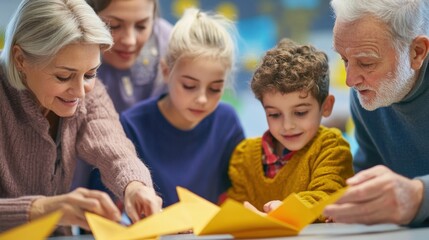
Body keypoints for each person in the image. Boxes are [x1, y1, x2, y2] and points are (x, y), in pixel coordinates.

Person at [0, 0, 161, 233]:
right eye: (64, 76)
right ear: (21, 59)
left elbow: (114, 149)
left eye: (90, 74)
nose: (79, 92)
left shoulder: (90, 94)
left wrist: (135, 186)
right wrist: (44, 210)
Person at [120, 8, 245, 207]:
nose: (202, 99)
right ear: (165, 71)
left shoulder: (226, 122)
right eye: (189, 86)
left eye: (215, 89)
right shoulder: (132, 125)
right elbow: (109, 208)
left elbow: (245, 191)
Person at [324, 0, 429, 226]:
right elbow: (364, 179)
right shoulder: (367, 94)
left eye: (366, 62)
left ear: (417, 52)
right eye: (344, 59)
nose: (350, 80)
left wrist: (419, 196)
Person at [227, 38, 354, 222]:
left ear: (326, 106)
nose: (287, 125)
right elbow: (234, 208)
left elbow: (328, 195)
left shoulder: (330, 147)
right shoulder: (244, 156)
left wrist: (289, 209)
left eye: (300, 112)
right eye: (274, 115)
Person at [71, 0, 173, 194]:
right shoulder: (70, 50)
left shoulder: (167, 45)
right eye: (114, 25)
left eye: (142, 26)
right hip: (80, 170)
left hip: (144, 174)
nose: (130, 41)